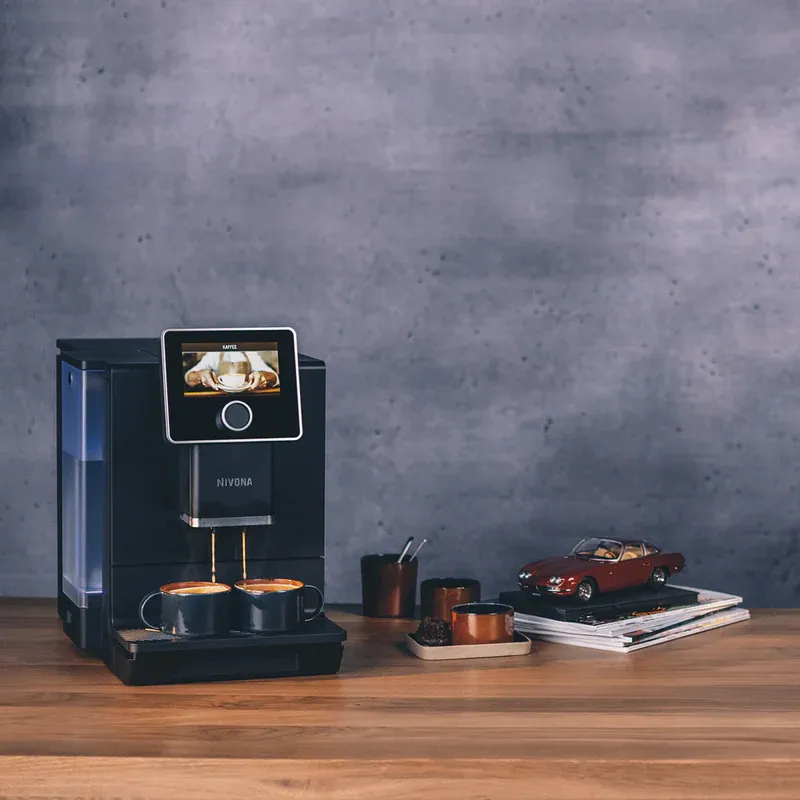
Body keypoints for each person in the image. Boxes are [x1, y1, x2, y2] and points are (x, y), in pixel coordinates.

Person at [184, 350, 279, 391]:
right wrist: (201, 375)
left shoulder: (250, 353)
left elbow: (274, 377)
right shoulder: (213, 354)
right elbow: (189, 377)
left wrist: (264, 376)